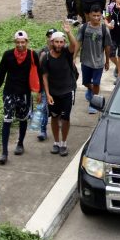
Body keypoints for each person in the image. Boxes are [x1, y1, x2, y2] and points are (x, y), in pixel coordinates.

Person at [0, 30, 41, 165]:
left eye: (23, 42)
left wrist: (40, 92)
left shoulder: (32, 55)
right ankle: (4, 152)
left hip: (24, 93)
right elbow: (1, 73)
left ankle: (20, 143)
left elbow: (39, 73)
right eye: (18, 42)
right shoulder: (7, 55)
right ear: (14, 43)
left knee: (22, 119)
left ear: (27, 42)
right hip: (9, 92)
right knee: (7, 119)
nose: (20, 45)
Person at [40, 23, 78, 156]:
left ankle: (64, 143)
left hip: (67, 91)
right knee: (55, 117)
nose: (59, 45)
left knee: (65, 118)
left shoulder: (67, 53)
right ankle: (56, 142)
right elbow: (44, 76)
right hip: (54, 93)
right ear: (51, 42)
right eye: (56, 42)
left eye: (61, 42)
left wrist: (68, 32)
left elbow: (74, 45)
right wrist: (48, 93)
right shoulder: (46, 58)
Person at [75, 6, 112, 113]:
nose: (96, 18)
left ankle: (94, 103)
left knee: (96, 83)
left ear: (101, 15)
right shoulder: (84, 27)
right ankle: (90, 90)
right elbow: (78, 42)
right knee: (86, 82)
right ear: (89, 15)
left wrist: (107, 61)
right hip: (86, 60)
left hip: (98, 62)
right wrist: (74, 57)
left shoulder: (104, 30)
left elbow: (107, 46)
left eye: (98, 16)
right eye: (94, 15)